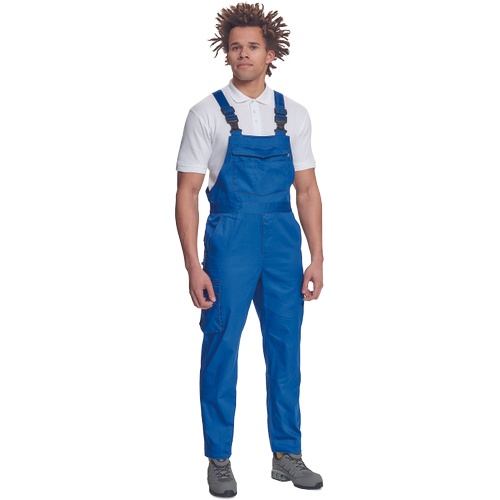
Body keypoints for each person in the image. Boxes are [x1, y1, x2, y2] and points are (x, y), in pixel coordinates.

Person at [175, 3, 324, 496]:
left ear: (270, 53)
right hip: (230, 240)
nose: (243, 54)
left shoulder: (294, 114)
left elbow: (306, 190)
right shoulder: (205, 113)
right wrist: (193, 266)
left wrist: (317, 256)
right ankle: (219, 458)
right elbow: (186, 193)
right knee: (222, 347)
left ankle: (287, 454)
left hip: (282, 241)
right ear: (227, 52)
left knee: (286, 349)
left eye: (253, 47)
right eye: (236, 47)